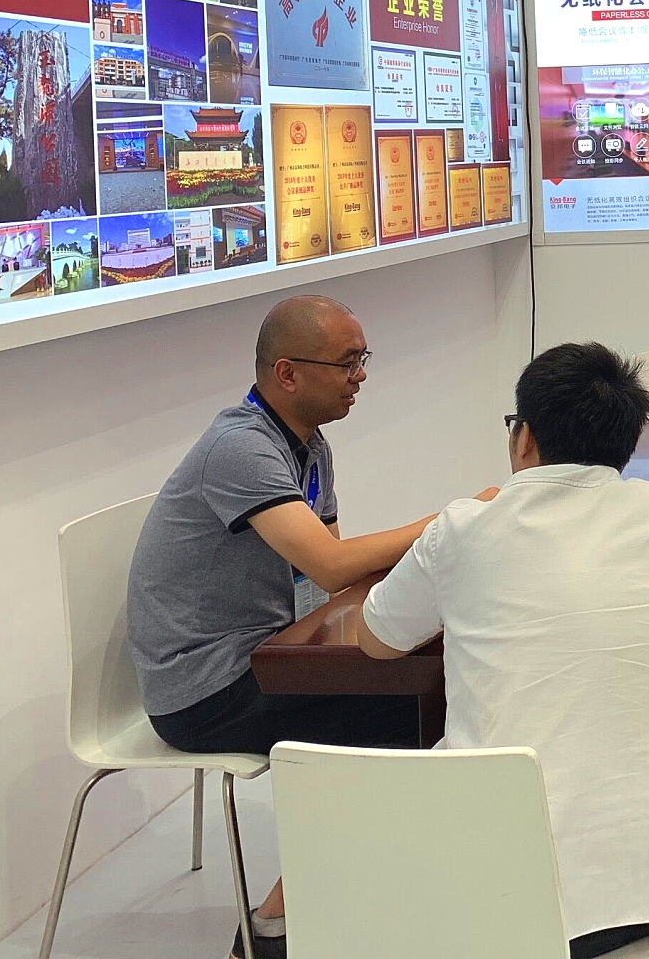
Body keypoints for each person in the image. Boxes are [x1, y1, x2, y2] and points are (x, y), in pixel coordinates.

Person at [360, 342, 649, 959]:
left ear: (523, 438)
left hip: (506, 898)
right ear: (627, 442)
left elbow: (376, 639)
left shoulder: (459, 530)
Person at [127, 295, 495, 958]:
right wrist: (455, 520)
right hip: (204, 691)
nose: (361, 375)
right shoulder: (241, 449)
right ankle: (276, 923)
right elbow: (329, 564)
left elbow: (333, 577)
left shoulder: (310, 446)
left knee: (421, 687)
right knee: (412, 715)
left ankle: (332, 900)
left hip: (268, 654)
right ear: (288, 373)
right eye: (347, 362)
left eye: (363, 359)